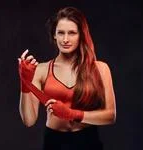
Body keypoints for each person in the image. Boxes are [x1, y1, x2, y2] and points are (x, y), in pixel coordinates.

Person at [18, 6, 116, 150]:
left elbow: (110, 115)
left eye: (72, 33)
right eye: (61, 33)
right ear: (54, 35)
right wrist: (25, 82)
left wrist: (72, 114)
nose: (65, 39)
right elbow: (29, 120)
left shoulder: (100, 69)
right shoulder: (42, 70)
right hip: (54, 141)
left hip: (88, 140)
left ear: (81, 35)